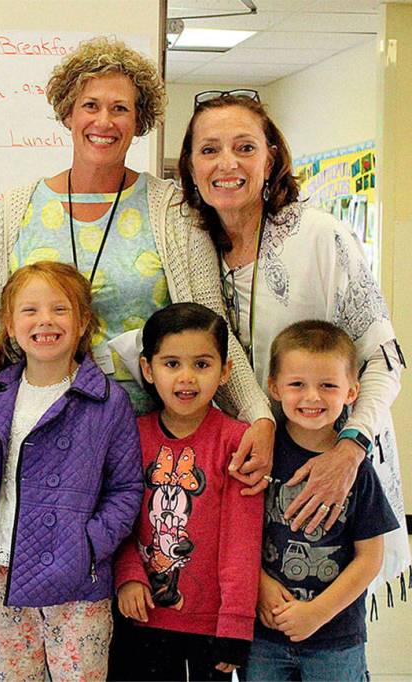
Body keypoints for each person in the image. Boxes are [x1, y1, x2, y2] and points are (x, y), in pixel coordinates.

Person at [0, 36, 275, 492]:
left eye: (120, 109)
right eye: (90, 105)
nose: (104, 121)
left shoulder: (172, 211)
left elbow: (211, 326)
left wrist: (258, 415)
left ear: (139, 121)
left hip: (151, 442)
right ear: (68, 113)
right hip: (39, 440)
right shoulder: (18, 208)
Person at [178, 91, 408, 587]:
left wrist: (349, 451)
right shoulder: (192, 250)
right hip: (246, 482)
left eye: (244, 147)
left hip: (328, 470)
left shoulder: (321, 238)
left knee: (326, 622)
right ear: (191, 167)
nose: (227, 163)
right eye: (210, 149)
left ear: (271, 158)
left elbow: (384, 360)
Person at [0, 262, 143, 680]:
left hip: (77, 577)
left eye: (59, 309)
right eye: (30, 310)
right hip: (3, 567)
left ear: (83, 322)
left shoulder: (108, 401)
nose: (45, 320)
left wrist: (88, 544)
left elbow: (126, 488)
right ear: (9, 325)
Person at [112, 303, 262, 680]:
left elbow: (242, 542)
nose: (186, 378)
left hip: (211, 628)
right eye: (171, 363)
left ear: (225, 371)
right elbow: (118, 517)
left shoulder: (237, 441)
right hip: (140, 618)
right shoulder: (131, 437)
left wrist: (235, 625)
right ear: (148, 369)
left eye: (202, 364)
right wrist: (128, 575)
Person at [242, 322, 398, 681]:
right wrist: (260, 584)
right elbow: (236, 535)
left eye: (327, 385)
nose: (312, 397)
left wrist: (317, 613)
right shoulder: (262, 457)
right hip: (264, 635)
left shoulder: (355, 469)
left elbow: (370, 558)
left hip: (336, 640)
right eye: (297, 384)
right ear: (274, 387)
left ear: (352, 391)